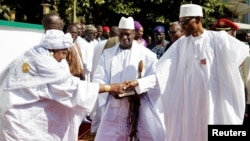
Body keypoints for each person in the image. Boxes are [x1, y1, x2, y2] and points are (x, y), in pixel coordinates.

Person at [0, 30, 125, 141]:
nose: (64, 58)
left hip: (13, 110)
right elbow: (72, 88)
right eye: (64, 53)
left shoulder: (35, 53)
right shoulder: (44, 62)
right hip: (20, 118)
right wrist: (110, 87)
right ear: (53, 50)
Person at [156, 4, 249, 141]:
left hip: (212, 103)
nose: (182, 26)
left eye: (185, 22)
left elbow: (243, 52)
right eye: (180, 22)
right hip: (188, 106)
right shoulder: (180, 45)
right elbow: (161, 70)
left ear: (198, 19)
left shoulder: (218, 39)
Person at [93, 16, 166, 141]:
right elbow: (98, 77)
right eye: (121, 34)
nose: (124, 37)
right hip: (114, 107)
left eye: (127, 34)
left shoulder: (147, 55)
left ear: (134, 34)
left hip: (140, 108)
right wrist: (111, 89)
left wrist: (139, 85)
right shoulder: (108, 54)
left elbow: (158, 78)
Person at [211, 18, 250, 126]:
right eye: (218, 32)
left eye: (225, 33)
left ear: (233, 32)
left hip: (234, 97)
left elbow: (247, 79)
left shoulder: (242, 49)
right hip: (214, 97)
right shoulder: (209, 49)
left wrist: (248, 103)